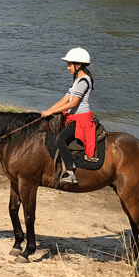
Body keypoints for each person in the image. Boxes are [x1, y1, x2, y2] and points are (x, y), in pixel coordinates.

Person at [41, 47, 96, 184]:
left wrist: (51, 112)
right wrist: (46, 111)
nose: (68, 68)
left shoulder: (84, 81)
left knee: (60, 139)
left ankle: (70, 172)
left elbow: (73, 104)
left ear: (78, 65)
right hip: (73, 118)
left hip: (81, 119)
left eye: (70, 65)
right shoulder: (76, 82)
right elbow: (63, 100)